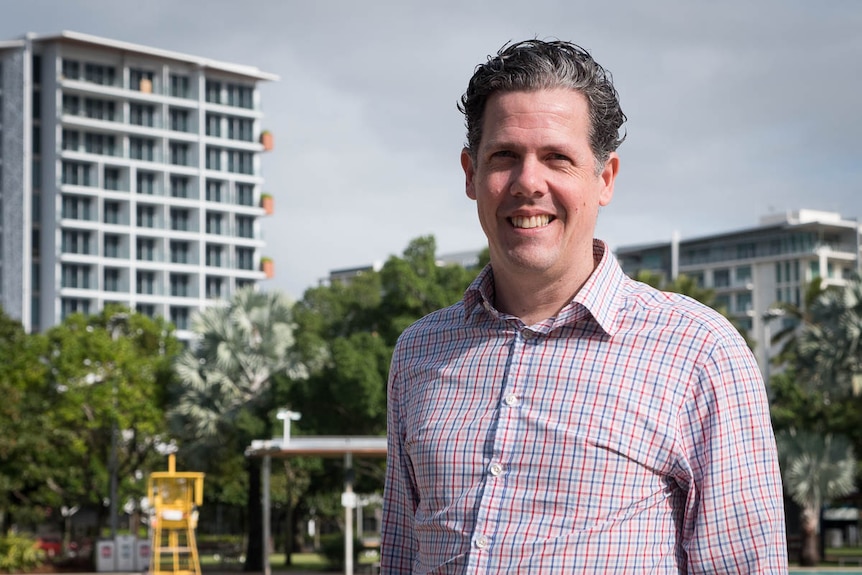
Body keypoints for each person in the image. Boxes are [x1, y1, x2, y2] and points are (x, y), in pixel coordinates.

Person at [382, 39, 787, 573]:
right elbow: (399, 556)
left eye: (557, 158)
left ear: (604, 179)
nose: (529, 183)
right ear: (470, 174)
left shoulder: (699, 352)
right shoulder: (419, 351)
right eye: (505, 156)